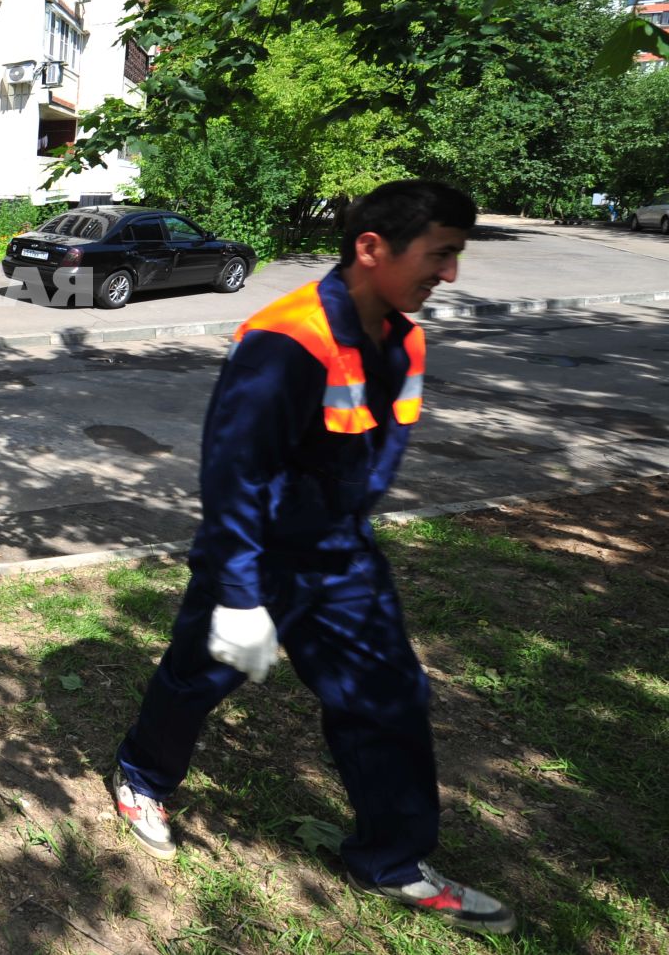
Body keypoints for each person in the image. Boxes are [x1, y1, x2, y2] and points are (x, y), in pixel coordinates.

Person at [112, 180, 516, 936]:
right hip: (257, 555)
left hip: (342, 557)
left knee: (389, 698)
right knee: (199, 678)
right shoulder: (286, 339)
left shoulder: (405, 337)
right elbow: (234, 473)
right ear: (372, 249)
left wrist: (342, 545)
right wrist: (237, 592)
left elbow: (369, 451)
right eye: (440, 254)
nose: (450, 274)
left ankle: (390, 858)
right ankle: (141, 774)